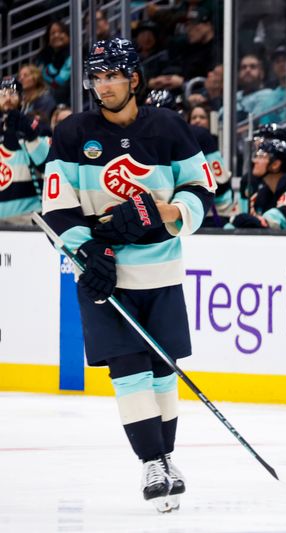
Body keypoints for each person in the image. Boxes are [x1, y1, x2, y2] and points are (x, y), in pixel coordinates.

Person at [41, 38, 215, 512]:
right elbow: (56, 207)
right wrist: (90, 252)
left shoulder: (170, 129)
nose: (103, 85)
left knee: (163, 371)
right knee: (129, 370)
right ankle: (152, 462)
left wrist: (172, 212)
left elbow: (202, 190)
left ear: (133, 78)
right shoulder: (73, 132)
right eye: (95, 77)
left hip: (160, 270)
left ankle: (165, 457)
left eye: (111, 75)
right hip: (105, 273)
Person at [145, 90, 231, 228]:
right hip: (166, 213)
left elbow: (220, 180)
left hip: (208, 213)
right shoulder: (141, 138)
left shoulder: (200, 135)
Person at [0, 76, 51, 224]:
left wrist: (30, 136)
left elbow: (48, 166)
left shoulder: (33, 123)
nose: (8, 98)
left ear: (22, 99)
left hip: (27, 218)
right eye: (3, 95)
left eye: (12, 94)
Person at [231, 138, 286, 230]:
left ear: (275, 164)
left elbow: (269, 222)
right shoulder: (263, 194)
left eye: (261, 156)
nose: (255, 161)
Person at [36, 21, 72, 105]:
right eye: (52, 33)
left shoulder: (76, 54)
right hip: (49, 102)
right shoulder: (42, 58)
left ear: (68, 36)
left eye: (61, 32)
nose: (56, 35)